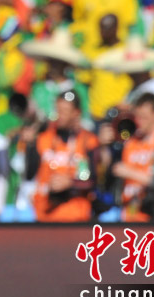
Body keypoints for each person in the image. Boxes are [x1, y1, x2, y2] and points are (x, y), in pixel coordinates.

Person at [106, 93, 154, 222]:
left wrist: (131, 173)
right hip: (131, 215)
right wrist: (105, 146)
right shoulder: (130, 141)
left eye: (144, 117)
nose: (139, 122)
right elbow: (111, 173)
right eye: (136, 117)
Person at [27, 91, 100, 222]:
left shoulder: (88, 141)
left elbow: (94, 181)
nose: (59, 115)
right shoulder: (43, 138)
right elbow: (28, 175)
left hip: (76, 217)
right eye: (58, 110)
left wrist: (70, 183)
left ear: (76, 113)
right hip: (44, 215)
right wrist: (28, 145)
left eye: (64, 111)